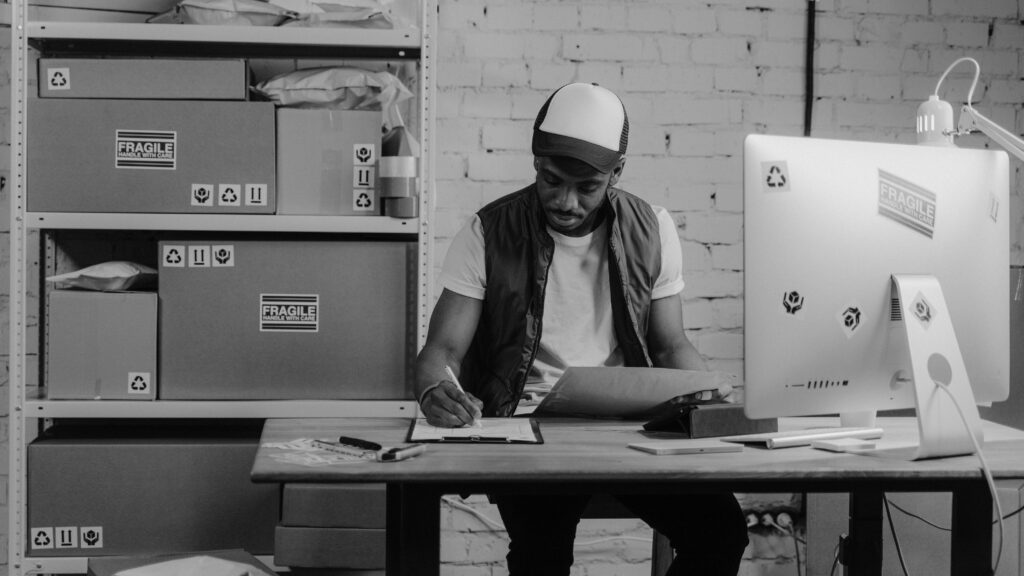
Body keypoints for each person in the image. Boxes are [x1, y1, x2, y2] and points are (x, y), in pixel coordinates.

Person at [415, 82, 749, 576]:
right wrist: (434, 390)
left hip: (627, 429)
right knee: (541, 554)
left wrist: (711, 402)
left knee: (720, 532)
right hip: (526, 429)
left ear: (617, 173)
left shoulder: (652, 228)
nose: (566, 201)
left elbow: (670, 343)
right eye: (551, 180)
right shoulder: (488, 231)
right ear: (535, 161)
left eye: (587, 187)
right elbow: (441, 349)